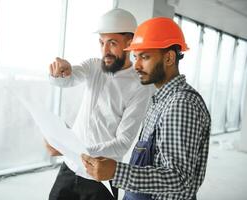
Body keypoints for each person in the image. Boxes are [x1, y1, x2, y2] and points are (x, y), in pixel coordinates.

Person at [82, 17, 211, 200]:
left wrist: (117, 172)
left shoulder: (180, 104)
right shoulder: (160, 100)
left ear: (169, 58)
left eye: (145, 57)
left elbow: (180, 179)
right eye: (135, 57)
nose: (137, 65)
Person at [46, 8, 155, 200]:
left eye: (112, 43)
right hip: (71, 168)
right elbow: (68, 79)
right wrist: (58, 72)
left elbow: (122, 144)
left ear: (129, 43)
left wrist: (75, 149)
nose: (105, 51)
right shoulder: (94, 66)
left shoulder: (140, 87)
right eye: (102, 42)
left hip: (101, 176)